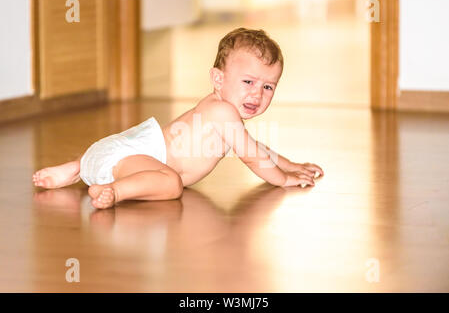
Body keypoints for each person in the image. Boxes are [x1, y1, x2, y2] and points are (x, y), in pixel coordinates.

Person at [33, 28, 324, 209]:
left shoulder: (223, 113)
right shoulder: (221, 112)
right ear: (218, 79)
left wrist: (293, 165)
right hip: (127, 160)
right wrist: (283, 178)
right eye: (248, 82)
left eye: (268, 86)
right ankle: (113, 190)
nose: (257, 94)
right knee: (171, 184)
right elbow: (251, 156)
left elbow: (257, 148)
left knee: (157, 174)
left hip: (119, 153)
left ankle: (76, 167)